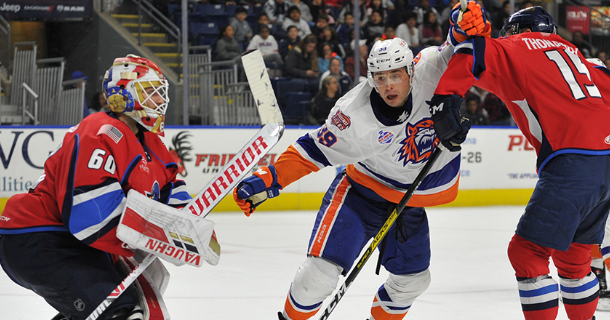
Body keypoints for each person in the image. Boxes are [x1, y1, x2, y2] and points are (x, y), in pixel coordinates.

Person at [233, 4, 489, 319]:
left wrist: (465, 24)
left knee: (412, 282)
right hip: (361, 194)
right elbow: (313, 150)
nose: (389, 85)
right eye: (380, 78)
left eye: (396, 75)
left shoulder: (431, 67)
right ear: (370, 78)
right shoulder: (352, 115)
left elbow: (461, 45)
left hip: (408, 203)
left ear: (410, 70)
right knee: (317, 277)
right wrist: (271, 178)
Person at [0, 55, 218, 320]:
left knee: (117, 309)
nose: (161, 101)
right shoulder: (99, 132)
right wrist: (166, 237)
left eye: (161, 93)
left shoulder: (153, 143)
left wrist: (191, 227)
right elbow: (90, 216)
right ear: (122, 96)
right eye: (151, 93)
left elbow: (172, 191)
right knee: (120, 313)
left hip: (79, 243)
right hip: (39, 238)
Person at [430, 7, 610, 320]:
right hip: (606, 160)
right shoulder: (577, 54)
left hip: (571, 160)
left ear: (516, 31)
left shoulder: (517, 46)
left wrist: (445, 102)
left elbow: (472, 51)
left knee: (527, 253)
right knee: (574, 255)